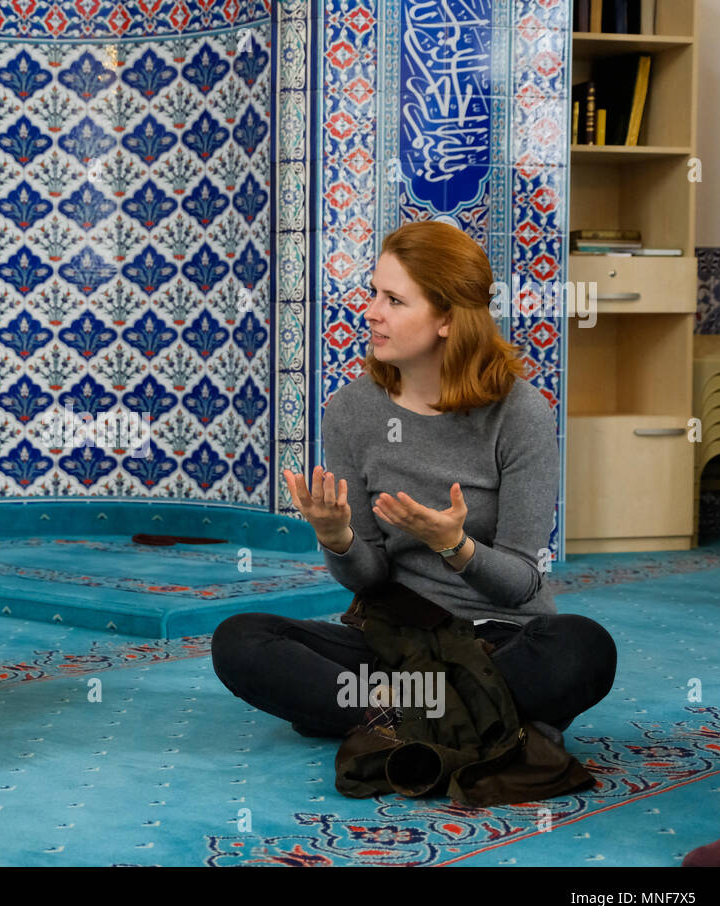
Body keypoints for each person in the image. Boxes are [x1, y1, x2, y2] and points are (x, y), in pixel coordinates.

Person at [212, 220, 616, 741]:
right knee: (242, 638)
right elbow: (370, 577)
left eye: (395, 301)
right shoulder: (352, 410)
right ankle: (474, 719)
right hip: (391, 642)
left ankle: (385, 718)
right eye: (373, 293)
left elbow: (521, 582)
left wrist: (455, 546)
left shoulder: (519, 414)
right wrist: (338, 540)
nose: (371, 312)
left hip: (499, 642)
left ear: (447, 318)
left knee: (583, 647)